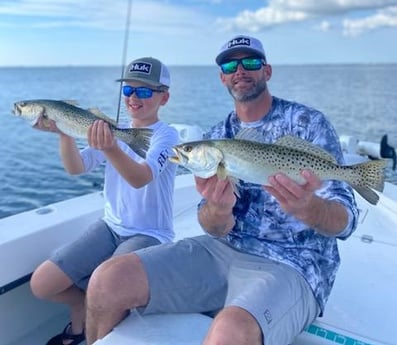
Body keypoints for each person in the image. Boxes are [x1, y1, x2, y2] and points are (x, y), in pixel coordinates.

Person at [84, 35, 359, 345]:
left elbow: (346, 222)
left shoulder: (309, 123)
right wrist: (218, 209)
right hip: (223, 250)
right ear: (222, 77)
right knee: (106, 281)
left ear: (266, 71)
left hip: (296, 261)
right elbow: (213, 228)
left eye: (250, 62)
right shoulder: (218, 135)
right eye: (230, 64)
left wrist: (309, 208)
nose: (239, 70)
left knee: (229, 333)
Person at [29, 57, 179, 345]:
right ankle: (81, 305)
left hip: (150, 234)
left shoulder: (166, 135)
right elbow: (76, 168)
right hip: (110, 227)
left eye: (145, 91)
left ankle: (92, 329)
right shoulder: (113, 127)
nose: (134, 98)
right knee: (42, 283)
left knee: (106, 287)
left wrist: (111, 147)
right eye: (128, 91)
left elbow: (141, 177)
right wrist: (64, 133)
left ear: (165, 97)